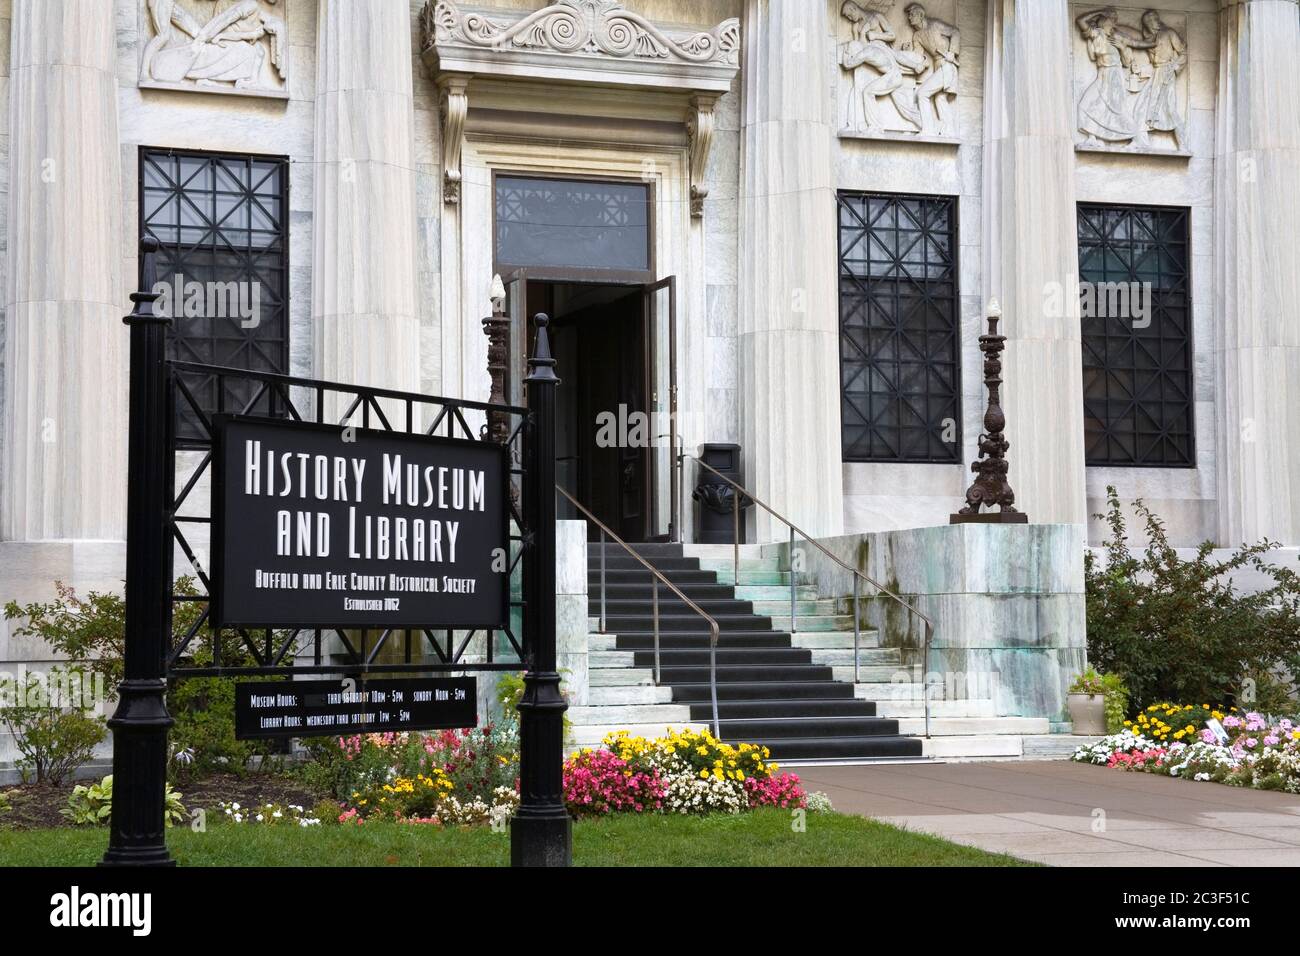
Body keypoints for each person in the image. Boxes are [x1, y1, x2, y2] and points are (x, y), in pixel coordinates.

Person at [839, 0, 923, 133]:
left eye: (849, 15)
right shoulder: (857, 28)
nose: (850, 19)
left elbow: (892, 36)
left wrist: (875, 35)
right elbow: (861, 47)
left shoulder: (875, 17)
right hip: (876, 67)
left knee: (870, 93)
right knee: (903, 107)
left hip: (885, 61)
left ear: (854, 8)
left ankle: (876, 127)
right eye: (847, 18)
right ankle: (925, 124)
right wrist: (861, 35)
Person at [1075, 7, 1152, 146]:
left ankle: (1137, 138)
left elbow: (1127, 62)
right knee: (1085, 105)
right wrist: (1098, 12)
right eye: (1112, 21)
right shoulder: (1096, 34)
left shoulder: (1117, 37)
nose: (1114, 24)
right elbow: (1080, 20)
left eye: (1115, 21)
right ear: (1104, 21)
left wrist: (1122, 48)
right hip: (1102, 74)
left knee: (1118, 109)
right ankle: (1093, 138)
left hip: (1115, 76)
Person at [903, 3, 960, 137]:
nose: (909, 18)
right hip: (938, 67)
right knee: (940, 99)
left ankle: (928, 130)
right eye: (908, 15)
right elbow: (918, 56)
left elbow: (955, 32)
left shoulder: (935, 25)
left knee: (922, 93)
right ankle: (949, 131)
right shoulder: (917, 36)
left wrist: (952, 52)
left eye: (912, 14)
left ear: (921, 15)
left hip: (948, 65)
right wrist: (907, 54)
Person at [1133, 9, 1187, 149]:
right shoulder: (1149, 40)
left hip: (1167, 73)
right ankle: (1140, 141)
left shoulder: (1169, 33)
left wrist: (1175, 67)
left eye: (1154, 20)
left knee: (1169, 110)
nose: (1153, 23)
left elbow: (1183, 52)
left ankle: (1183, 145)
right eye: (1149, 22)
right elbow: (1152, 63)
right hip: (1157, 73)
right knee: (1142, 105)